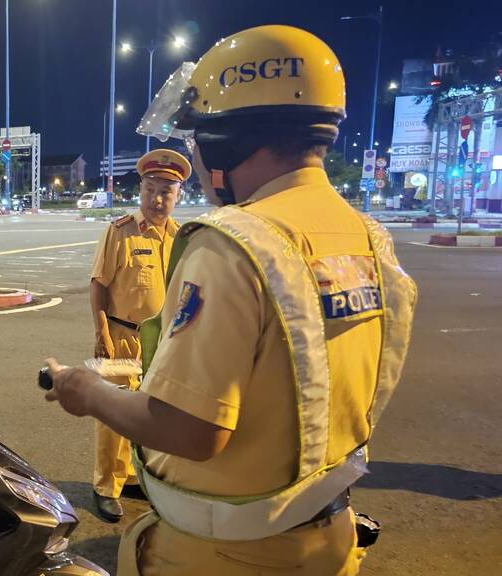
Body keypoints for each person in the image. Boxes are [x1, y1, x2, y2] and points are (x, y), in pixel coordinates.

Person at [45, 25, 417, 575]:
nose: (196, 152)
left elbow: (191, 429)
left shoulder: (236, 245)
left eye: (200, 136)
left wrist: (87, 391)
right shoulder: (366, 236)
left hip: (227, 554)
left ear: (228, 139)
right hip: (327, 535)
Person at [88, 149, 189, 522]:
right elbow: (98, 285)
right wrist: (102, 332)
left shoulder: (182, 238)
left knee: (150, 415)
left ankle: (131, 475)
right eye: (150, 189)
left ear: (178, 194)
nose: (157, 199)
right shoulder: (120, 232)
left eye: (166, 191)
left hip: (163, 343)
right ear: (141, 190)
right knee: (113, 415)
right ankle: (104, 486)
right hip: (121, 335)